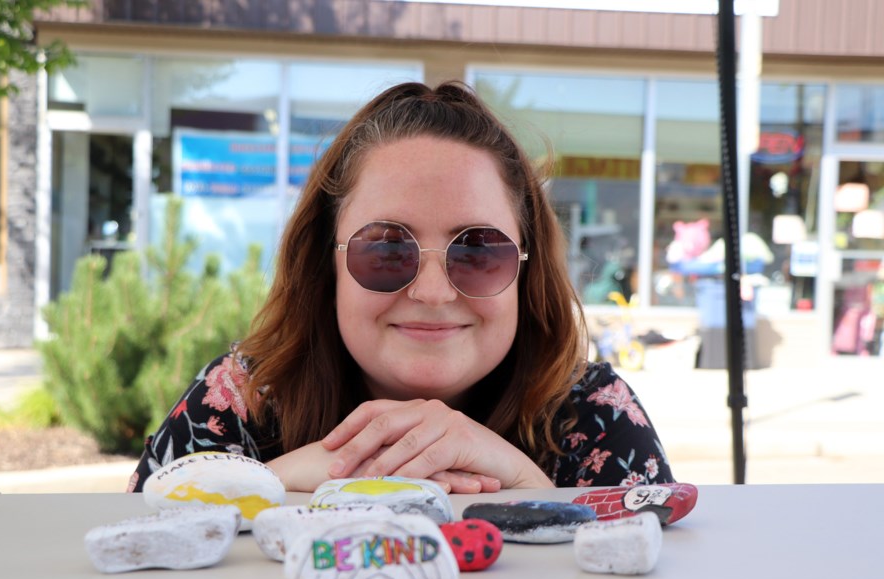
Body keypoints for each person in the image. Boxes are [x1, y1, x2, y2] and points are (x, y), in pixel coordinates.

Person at [128, 81, 674, 494]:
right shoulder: (242, 397)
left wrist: (526, 488)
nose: (433, 292)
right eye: (387, 248)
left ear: (526, 272)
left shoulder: (596, 413)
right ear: (328, 262)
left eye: (478, 250)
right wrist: (275, 485)